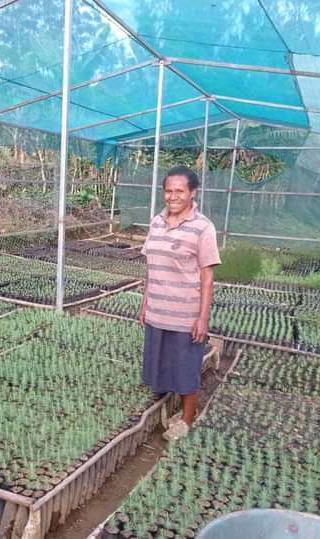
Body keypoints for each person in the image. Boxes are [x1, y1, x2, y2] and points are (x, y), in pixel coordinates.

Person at [138, 165, 220, 442]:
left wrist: (202, 317)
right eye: (168, 191)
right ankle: (166, 403)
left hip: (185, 314)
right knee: (160, 361)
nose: (173, 196)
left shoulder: (203, 227)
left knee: (186, 370)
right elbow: (151, 266)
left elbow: (208, 277)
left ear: (192, 193)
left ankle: (186, 419)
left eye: (179, 191)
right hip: (158, 310)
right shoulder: (156, 221)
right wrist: (146, 301)